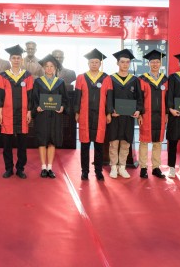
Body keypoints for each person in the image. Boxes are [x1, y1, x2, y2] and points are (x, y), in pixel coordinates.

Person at [0, 44, 34, 179]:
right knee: (7, 144)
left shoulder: (27, 76)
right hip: (7, 113)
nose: (16, 60)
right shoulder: (3, 76)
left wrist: (29, 111)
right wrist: (0, 113)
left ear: (22, 60)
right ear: (10, 59)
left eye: (18, 58)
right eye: (14, 58)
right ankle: (9, 168)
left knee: (22, 144)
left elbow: (31, 95)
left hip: (22, 114)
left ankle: (20, 168)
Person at [74, 48, 113, 181]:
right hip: (85, 115)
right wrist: (77, 112)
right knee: (84, 145)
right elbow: (77, 97)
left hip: (100, 115)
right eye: (92, 62)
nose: (94, 64)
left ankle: (98, 171)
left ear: (100, 63)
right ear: (88, 63)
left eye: (96, 62)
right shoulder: (81, 77)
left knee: (99, 145)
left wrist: (109, 113)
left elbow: (109, 97)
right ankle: (84, 171)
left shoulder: (106, 78)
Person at [106, 49, 144, 179]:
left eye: (127, 62)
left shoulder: (134, 80)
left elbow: (139, 98)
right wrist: (111, 110)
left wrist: (138, 110)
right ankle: (113, 167)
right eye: (122, 62)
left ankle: (122, 167)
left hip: (128, 117)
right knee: (114, 142)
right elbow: (108, 97)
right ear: (117, 63)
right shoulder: (111, 79)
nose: (125, 64)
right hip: (115, 116)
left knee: (125, 142)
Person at [31, 54, 68, 179]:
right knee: (42, 141)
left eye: (52, 66)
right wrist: (37, 107)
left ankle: (50, 167)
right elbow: (34, 99)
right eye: (47, 66)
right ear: (43, 68)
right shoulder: (38, 82)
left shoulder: (60, 83)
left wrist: (62, 107)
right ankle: (43, 167)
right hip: (42, 115)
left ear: (55, 68)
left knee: (52, 141)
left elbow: (65, 99)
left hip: (55, 116)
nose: (49, 68)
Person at [138, 50, 168, 179]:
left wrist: (167, 114)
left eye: (157, 62)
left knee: (158, 142)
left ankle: (156, 167)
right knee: (144, 142)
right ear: (148, 63)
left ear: (160, 63)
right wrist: (140, 113)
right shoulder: (142, 79)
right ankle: (143, 167)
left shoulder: (165, 80)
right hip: (146, 114)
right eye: (152, 62)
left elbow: (168, 99)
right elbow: (139, 98)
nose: (155, 64)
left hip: (161, 115)